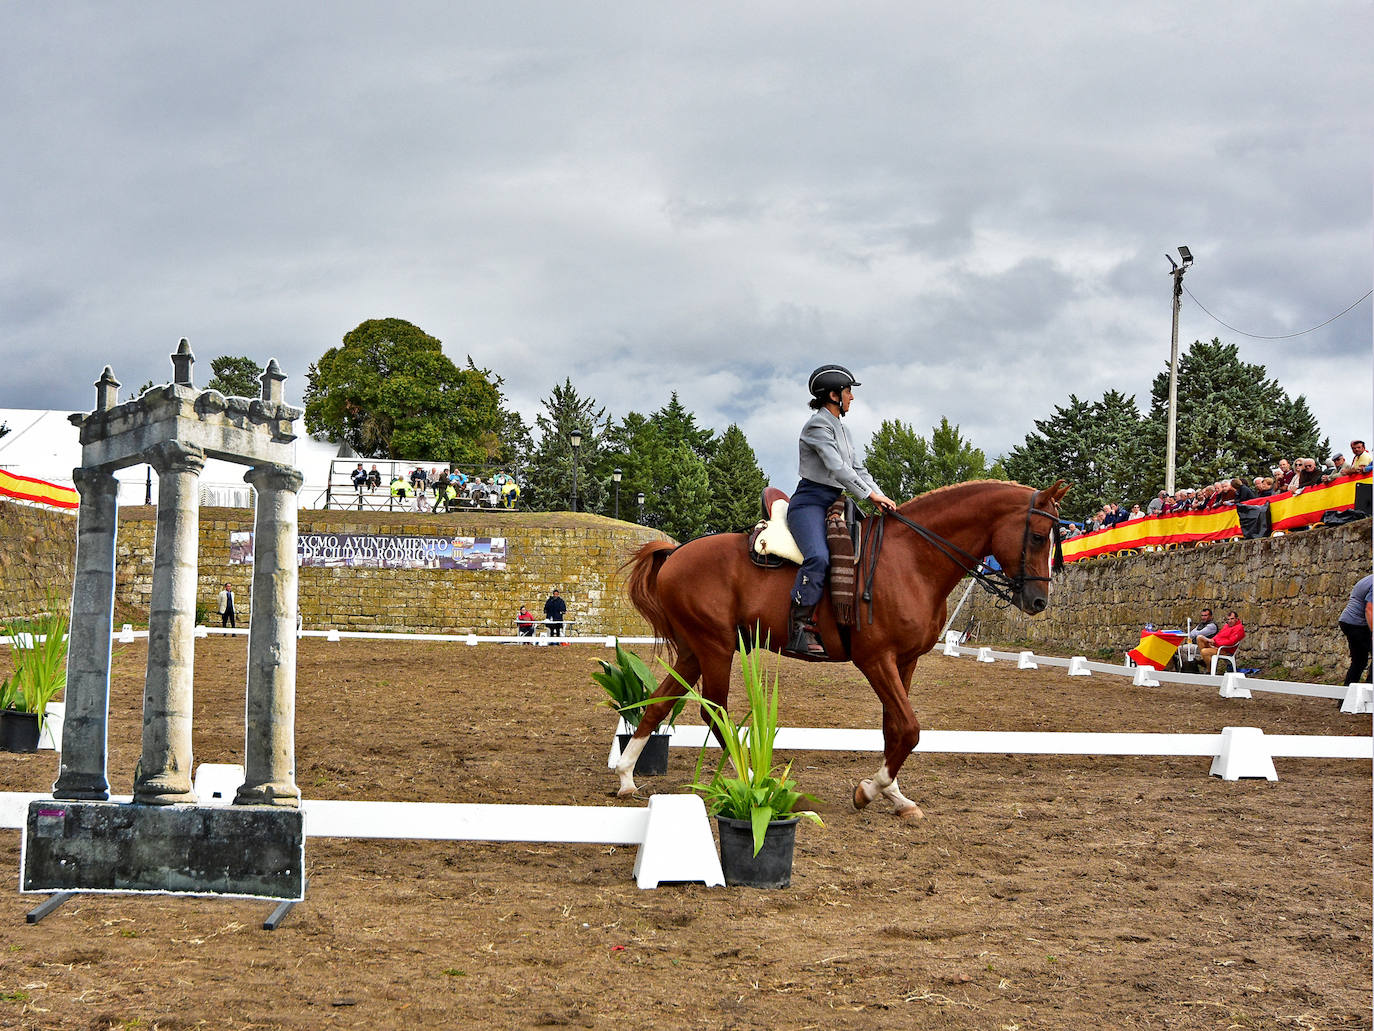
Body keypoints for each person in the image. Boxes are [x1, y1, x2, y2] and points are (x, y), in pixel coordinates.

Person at [784, 364, 897, 660]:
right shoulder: (817, 426)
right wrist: (868, 493)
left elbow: (858, 469)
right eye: (848, 391)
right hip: (809, 503)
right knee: (819, 557)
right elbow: (837, 468)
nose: (852, 398)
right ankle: (798, 627)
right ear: (833, 394)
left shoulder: (843, 430)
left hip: (837, 502)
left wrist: (880, 496)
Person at [1338, 574, 1373, 686]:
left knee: (1359, 662)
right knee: (1359, 661)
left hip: (1349, 622)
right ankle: (1370, 693)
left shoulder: (1369, 579)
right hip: (1356, 625)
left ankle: (1345, 699)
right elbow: (1369, 609)